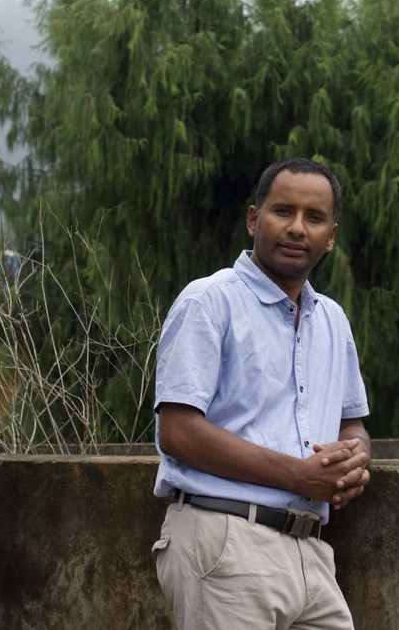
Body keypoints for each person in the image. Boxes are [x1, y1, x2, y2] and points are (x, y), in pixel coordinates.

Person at [152, 157, 372, 630]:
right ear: (254, 219)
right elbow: (177, 431)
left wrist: (353, 463)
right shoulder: (208, 301)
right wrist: (299, 476)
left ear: (330, 236)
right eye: (282, 211)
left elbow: (350, 423)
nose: (296, 228)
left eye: (314, 218)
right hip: (225, 541)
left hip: (311, 552)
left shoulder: (332, 320)